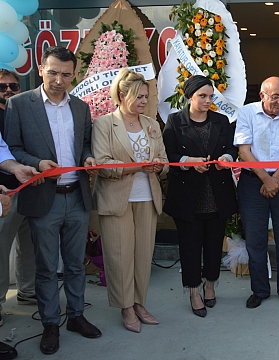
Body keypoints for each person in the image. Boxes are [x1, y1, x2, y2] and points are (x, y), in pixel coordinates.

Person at [4, 46, 102, 355]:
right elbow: (12, 148)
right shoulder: (20, 104)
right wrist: (37, 163)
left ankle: (76, 316)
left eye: (65, 74)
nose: (59, 80)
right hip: (43, 197)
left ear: (74, 74)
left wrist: (87, 158)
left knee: (74, 264)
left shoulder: (80, 107)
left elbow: (85, 143)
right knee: (46, 267)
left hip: (76, 197)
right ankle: (49, 323)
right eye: (53, 72)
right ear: (41, 68)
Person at [92, 68, 168, 332]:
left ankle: (139, 303)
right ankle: (125, 307)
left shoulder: (151, 124)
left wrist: (159, 166)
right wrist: (137, 167)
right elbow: (102, 164)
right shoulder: (104, 124)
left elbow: (163, 159)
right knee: (120, 257)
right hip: (116, 200)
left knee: (143, 256)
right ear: (122, 95)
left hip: (147, 198)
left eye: (146, 96)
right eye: (138, 97)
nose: (144, 102)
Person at [163, 75, 238, 318]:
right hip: (187, 197)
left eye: (210, 96)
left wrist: (227, 158)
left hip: (217, 194)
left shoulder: (221, 121)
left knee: (214, 245)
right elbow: (169, 155)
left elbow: (231, 147)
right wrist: (188, 162)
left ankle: (210, 285)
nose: (207, 101)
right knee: (190, 247)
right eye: (202, 96)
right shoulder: (175, 122)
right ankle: (194, 290)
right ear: (189, 97)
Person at [234, 77, 279, 309]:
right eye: (275, 97)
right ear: (262, 96)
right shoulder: (246, 113)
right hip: (254, 182)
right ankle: (260, 290)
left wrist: (275, 179)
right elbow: (244, 150)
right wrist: (265, 178)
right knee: (255, 241)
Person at [0, 69, 38, 328]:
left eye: (13, 86)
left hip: (29, 188)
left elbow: (6, 152)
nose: (9, 91)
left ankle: (27, 290)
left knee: (29, 244)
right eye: (3, 87)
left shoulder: (21, 112)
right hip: (4, 195)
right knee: (1, 249)